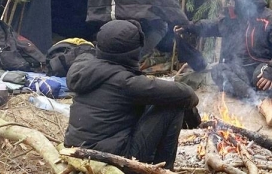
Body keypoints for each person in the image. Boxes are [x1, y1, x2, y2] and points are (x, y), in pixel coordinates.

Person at [64, 20, 200, 170]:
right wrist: (194, 119)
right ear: (132, 53)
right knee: (172, 106)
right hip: (113, 160)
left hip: (77, 149)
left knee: (155, 100)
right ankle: (164, 170)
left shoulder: (83, 66)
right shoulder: (126, 83)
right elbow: (187, 94)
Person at [175, 0, 272, 127]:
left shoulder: (270, 19)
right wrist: (189, 26)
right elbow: (210, 26)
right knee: (219, 71)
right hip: (245, 75)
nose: (233, 3)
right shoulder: (231, 19)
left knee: (260, 73)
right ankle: (260, 101)